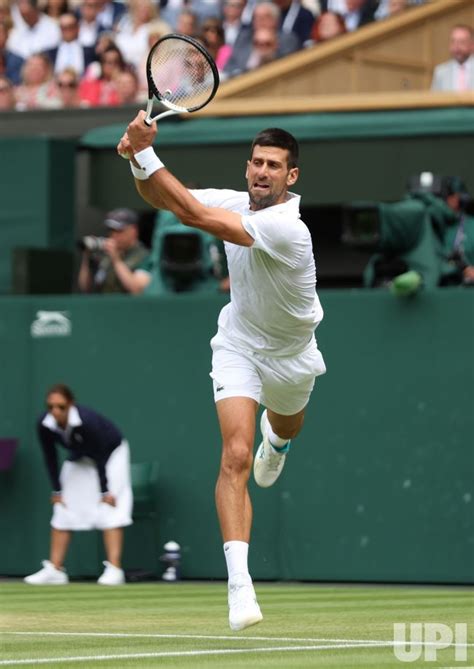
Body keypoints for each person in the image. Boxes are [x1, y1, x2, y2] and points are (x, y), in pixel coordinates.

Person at [117, 120, 326, 630]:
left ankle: (276, 441)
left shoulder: (287, 228)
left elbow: (188, 211)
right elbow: (165, 199)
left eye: (273, 165)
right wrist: (137, 160)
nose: (262, 171)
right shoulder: (234, 202)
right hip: (238, 342)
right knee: (234, 454)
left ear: (290, 176)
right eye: (257, 161)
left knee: (284, 427)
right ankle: (240, 585)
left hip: (292, 355)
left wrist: (145, 151)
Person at [24, 384, 133, 586]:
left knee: (110, 504)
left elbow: (101, 455)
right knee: (62, 504)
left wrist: (105, 491)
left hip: (111, 454)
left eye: (61, 407)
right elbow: (50, 457)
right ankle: (55, 570)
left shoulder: (87, 422)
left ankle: (115, 569)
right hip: (82, 456)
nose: (55, 411)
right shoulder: (44, 424)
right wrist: (57, 490)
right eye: (51, 407)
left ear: (70, 404)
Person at [78, 207, 152, 293]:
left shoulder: (145, 256)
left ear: (133, 230)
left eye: (119, 230)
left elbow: (137, 289)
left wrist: (116, 260)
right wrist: (87, 257)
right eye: (111, 230)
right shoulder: (105, 255)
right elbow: (85, 288)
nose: (114, 235)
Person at [431, 25, 474, 92]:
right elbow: (433, 99)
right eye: (453, 42)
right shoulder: (441, 71)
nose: (456, 47)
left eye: (461, 42)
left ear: (472, 45)